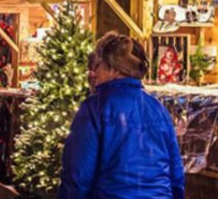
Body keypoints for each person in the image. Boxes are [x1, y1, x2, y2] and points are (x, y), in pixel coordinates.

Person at [59, 32, 185, 199]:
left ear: (114, 68)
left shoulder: (94, 108)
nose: (93, 73)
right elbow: (176, 174)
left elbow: (78, 175)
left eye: (98, 66)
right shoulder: (158, 109)